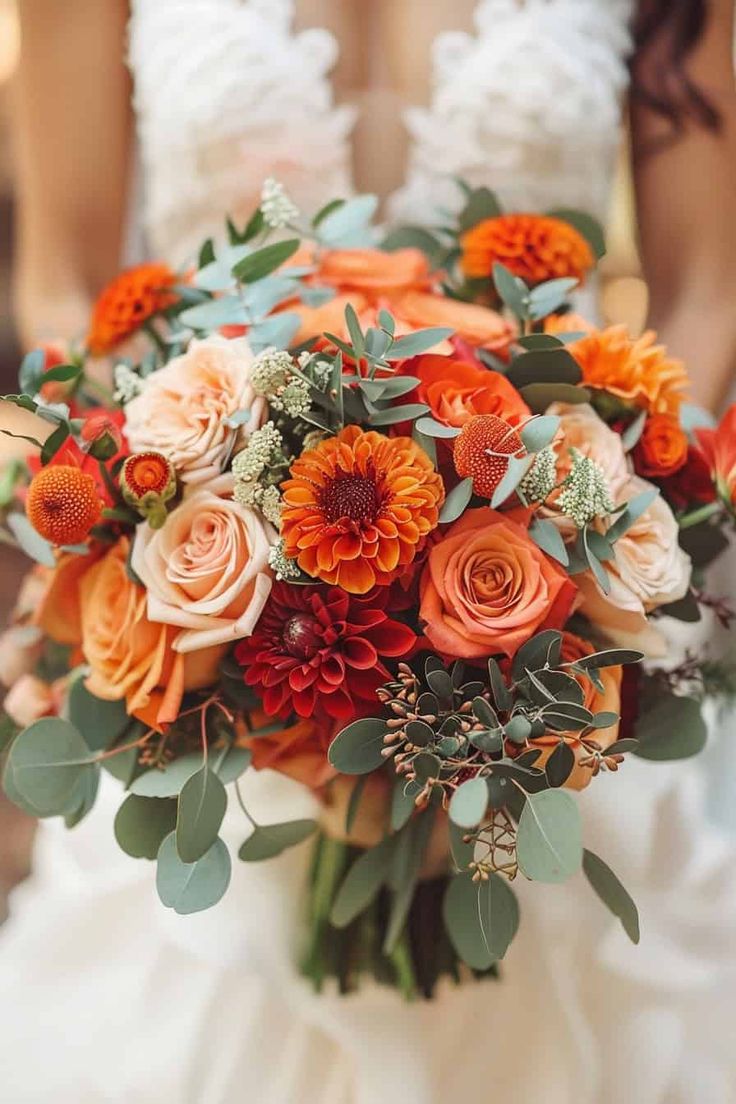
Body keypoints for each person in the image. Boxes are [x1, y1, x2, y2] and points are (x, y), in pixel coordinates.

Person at [1, 2, 736, 1101]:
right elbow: (62, 282)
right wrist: (188, 515)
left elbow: (703, 291)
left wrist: (575, 544)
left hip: (556, 649)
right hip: (221, 649)